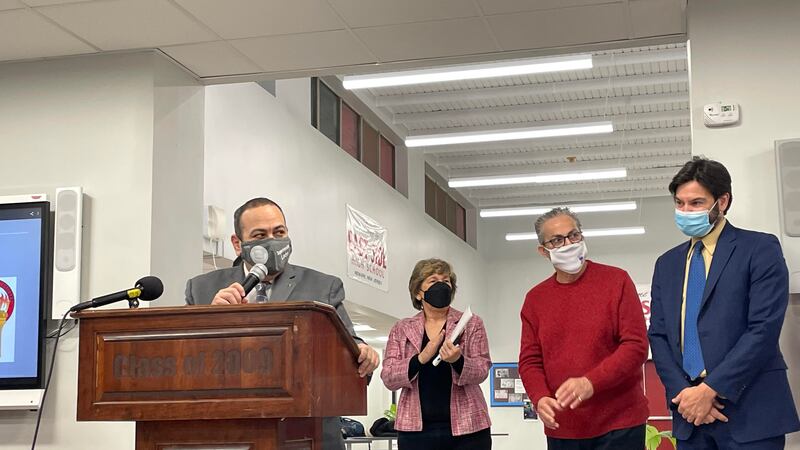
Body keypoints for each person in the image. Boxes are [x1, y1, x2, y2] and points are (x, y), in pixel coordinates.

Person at [184, 197, 380, 450]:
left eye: (279, 232)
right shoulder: (202, 289)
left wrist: (363, 354)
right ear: (237, 243)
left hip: (309, 436)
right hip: (232, 436)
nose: (273, 241)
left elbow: (352, 352)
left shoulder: (323, 287)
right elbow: (185, 365)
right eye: (260, 234)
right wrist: (212, 322)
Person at [648, 157, 799, 449]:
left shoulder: (758, 249)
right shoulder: (666, 264)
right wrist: (686, 393)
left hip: (750, 410)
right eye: (679, 203)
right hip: (689, 414)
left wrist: (710, 390)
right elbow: (659, 335)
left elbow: (763, 329)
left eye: (696, 203)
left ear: (723, 201)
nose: (685, 211)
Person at [518, 208, 649, 450]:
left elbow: (636, 346)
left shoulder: (617, 281)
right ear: (543, 251)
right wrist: (540, 397)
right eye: (557, 240)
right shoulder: (535, 299)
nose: (568, 244)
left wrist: (591, 382)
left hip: (621, 423)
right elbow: (529, 360)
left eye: (574, 235)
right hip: (564, 427)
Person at [381, 258, 492, 450]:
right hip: (415, 432)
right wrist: (420, 359)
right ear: (418, 293)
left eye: (446, 281)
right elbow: (389, 377)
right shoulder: (401, 328)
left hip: (468, 430)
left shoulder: (471, 323)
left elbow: (482, 370)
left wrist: (458, 361)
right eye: (433, 281)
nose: (441, 285)